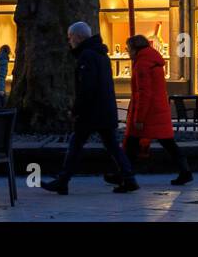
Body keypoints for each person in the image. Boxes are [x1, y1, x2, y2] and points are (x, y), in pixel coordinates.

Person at [41, 22, 139, 195]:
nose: (69, 41)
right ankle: (129, 178)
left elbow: (86, 87)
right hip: (105, 108)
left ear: (78, 37)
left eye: (70, 37)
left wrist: (76, 109)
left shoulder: (86, 56)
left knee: (76, 144)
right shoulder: (101, 54)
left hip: (91, 111)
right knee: (112, 146)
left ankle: (63, 181)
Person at [114, 35, 193, 186]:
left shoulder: (142, 65)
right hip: (158, 110)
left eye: (128, 49)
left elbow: (144, 93)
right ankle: (185, 171)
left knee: (132, 143)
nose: (127, 52)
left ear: (135, 49)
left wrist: (139, 118)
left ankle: (124, 175)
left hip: (149, 113)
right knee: (167, 143)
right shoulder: (152, 60)